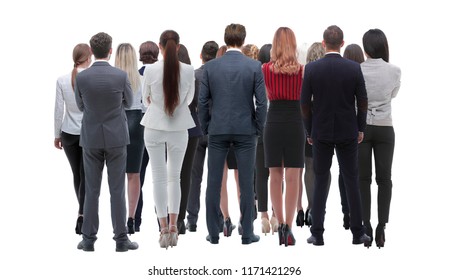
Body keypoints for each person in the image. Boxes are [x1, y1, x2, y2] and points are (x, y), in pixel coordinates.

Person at [300, 25, 370, 246]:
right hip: (348, 130)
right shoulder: (353, 68)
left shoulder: (311, 69)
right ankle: (358, 233)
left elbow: (304, 104)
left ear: (323, 43)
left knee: (320, 180)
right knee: (351, 180)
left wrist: (308, 130)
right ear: (342, 43)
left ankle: (317, 233)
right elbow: (363, 101)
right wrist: (360, 128)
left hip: (320, 131)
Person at [199, 23, 267, 245]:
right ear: (244, 40)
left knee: (213, 182)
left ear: (225, 39)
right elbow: (262, 102)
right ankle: (247, 234)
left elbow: (202, 102)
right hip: (246, 130)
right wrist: (258, 127)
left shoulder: (211, 67)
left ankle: (214, 233)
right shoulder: (254, 66)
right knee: (247, 183)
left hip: (217, 130)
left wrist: (206, 127)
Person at [74, 32, 138, 252]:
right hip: (116, 138)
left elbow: (80, 106)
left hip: (91, 138)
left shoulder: (81, 77)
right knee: (117, 189)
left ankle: (89, 240)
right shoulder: (120, 76)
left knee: (91, 190)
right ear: (110, 51)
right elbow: (129, 103)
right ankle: (121, 240)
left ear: (91, 52)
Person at [141, 30, 195, 249]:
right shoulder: (189, 70)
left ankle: (162, 227)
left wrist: (156, 104)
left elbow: (145, 100)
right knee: (175, 178)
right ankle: (174, 226)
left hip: (154, 125)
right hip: (179, 126)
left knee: (158, 178)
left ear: (160, 46)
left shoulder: (150, 70)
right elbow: (189, 100)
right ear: (179, 47)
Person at [262, 27, 304, 246]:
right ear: (293, 44)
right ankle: (288, 225)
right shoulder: (302, 71)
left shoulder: (265, 69)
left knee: (275, 175)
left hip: (273, 122)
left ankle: (280, 226)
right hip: (296, 122)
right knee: (294, 175)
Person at [359, 29, 401, 248]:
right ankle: (381, 227)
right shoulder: (394, 71)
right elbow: (393, 94)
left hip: (362, 128)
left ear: (365, 48)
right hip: (385, 128)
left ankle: (365, 224)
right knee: (385, 179)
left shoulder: (357, 70)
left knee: (363, 179)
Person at [54, 43, 91, 235]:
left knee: (77, 174)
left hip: (68, 133)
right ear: (88, 57)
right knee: (86, 175)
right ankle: (83, 213)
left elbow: (59, 110)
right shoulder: (91, 78)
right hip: (88, 132)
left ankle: (82, 212)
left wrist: (56, 134)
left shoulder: (61, 80)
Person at [186, 41, 219, 232]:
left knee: (194, 176)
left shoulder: (194, 75)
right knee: (215, 177)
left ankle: (192, 218)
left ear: (201, 55)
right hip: (215, 129)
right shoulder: (220, 75)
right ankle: (217, 218)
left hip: (196, 129)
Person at [114, 43, 144, 235]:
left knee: (116, 176)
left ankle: (119, 218)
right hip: (137, 122)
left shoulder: (114, 78)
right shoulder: (141, 78)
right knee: (134, 174)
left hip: (117, 121)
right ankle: (131, 219)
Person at [300, 42, 329, 228]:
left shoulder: (304, 73)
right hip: (327, 124)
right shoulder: (331, 73)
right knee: (325, 170)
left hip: (308, 124)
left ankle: (311, 206)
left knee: (309, 167)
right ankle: (321, 208)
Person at [338, 43, 365, 230]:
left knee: (344, 172)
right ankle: (359, 215)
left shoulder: (342, 73)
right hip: (359, 127)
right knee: (358, 174)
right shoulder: (359, 72)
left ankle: (346, 211)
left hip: (344, 127)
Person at [176, 43, 202, 235]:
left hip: (171, 128)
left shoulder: (164, 74)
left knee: (170, 175)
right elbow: (196, 103)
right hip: (192, 127)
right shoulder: (191, 76)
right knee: (186, 175)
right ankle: (180, 220)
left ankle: (170, 215)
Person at [135, 40, 159, 232]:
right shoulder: (162, 72)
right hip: (158, 125)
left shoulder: (134, 76)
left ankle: (135, 219)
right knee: (162, 175)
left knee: (137, 175)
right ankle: (163, 220)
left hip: (139, 125)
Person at [255, 43, 277, 235]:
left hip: (260, 127)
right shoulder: (279, 73)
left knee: (261, 175)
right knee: (278, 173)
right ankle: (276, 213)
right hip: (277, 125)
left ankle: (263, 215)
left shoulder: (256, 75)